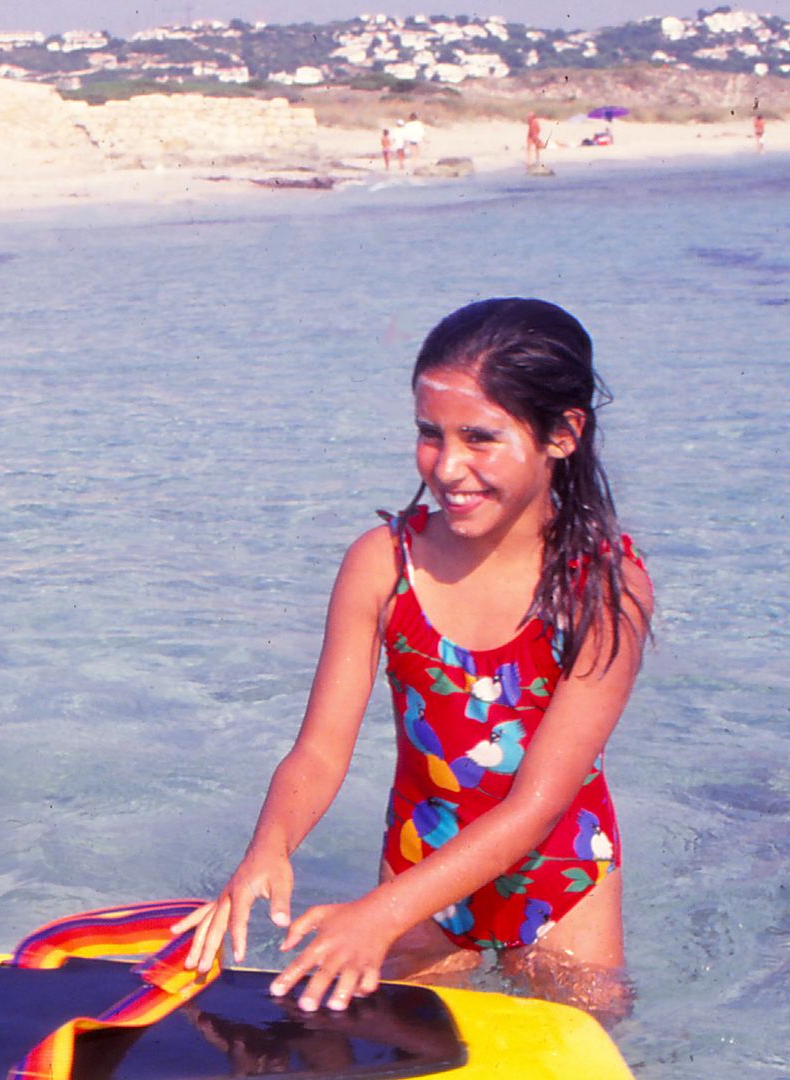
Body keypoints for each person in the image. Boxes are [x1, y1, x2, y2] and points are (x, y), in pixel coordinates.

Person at [173, 298, 653, 1024]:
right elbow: (318, 751)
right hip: (420, 862)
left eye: (480, 438)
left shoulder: (604, 589)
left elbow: (535, 808)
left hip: (560, 876)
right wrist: (268, 848)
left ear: (562, 433)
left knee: (590, 1048)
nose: (448, 466)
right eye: (431, 434)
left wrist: (375, 916)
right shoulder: (383, 566)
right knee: (395, 1053)